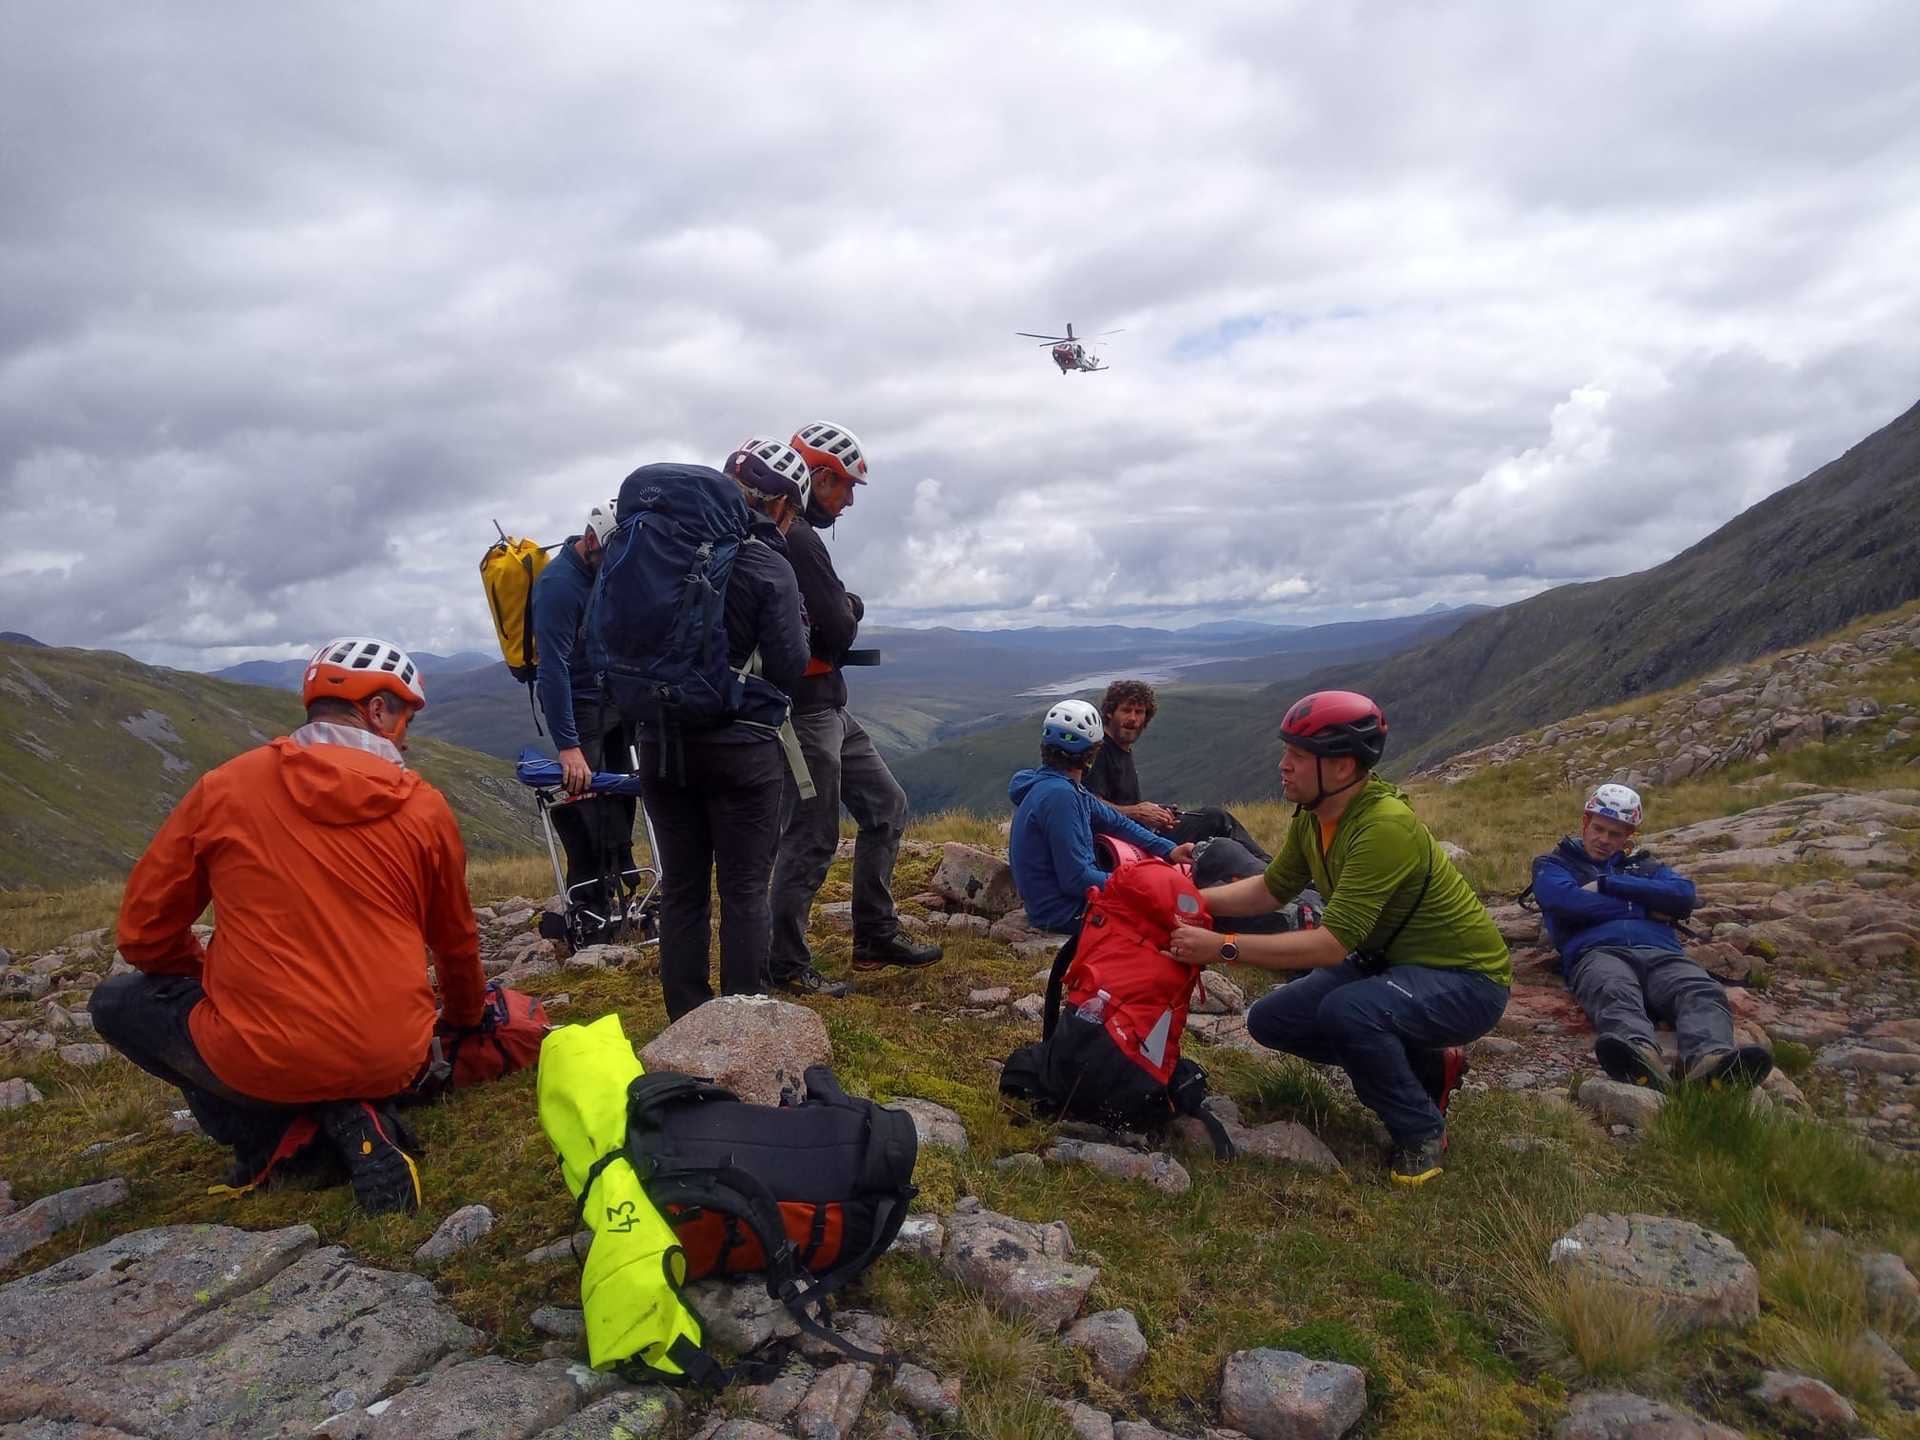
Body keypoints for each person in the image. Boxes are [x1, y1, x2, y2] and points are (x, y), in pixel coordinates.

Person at [92, 637, 486, 1214]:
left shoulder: (224, 788)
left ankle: (274, 1139)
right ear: (376, 710)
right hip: (393, 1056)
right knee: (337, 1050)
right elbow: (455, 940)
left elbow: (143, 933)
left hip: (259, 1056)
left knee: (116, 1002)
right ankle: (354, 1111)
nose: (407, 730)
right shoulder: (425, 809)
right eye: (404, 714)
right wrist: (465, 1021)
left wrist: (210, 984)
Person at [1167, 691, 1510, 1187]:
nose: (1283, 766)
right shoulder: (1315, 815)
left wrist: (1222, 948)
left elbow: (1330, 945)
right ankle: (1423, 1063)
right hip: (1388, 966)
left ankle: (1419, 1130)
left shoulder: (1383, 828)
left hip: (1466, 981)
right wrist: (1186, 898)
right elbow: (1271, 888)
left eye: (1298, 757)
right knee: (1272, 1019)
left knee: (1348, 1013)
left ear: (1344, 766)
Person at [768, 421, 942, 998]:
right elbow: (839, 627)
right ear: (816, 477)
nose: (846, 503)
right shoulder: (796, 538)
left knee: (886, 806)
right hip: (804, 714)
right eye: (843, 488)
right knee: (811, 838)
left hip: (828, 707)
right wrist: (850, 605)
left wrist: (844, 606)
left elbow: (833, 620)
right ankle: (785, 964)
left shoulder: (796, 536)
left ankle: (874, 936)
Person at [638, 443, 810, 1021]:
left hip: (659, 742)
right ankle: (743, 1024)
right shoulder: (766, 564)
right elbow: (790, 665)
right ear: (781, 504)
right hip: (741, 749)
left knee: (684, 887)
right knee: (742, 890)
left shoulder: (648, 551)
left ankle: (686, 1020)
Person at [1531, 783, 1772, 1091]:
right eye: (1599, 829)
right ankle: (1640, 1055)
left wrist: (1607, 885)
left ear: (1628, 836)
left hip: (1662, 953)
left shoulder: (1644, 865)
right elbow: (1565, 902)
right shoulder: (1554, 865)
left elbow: (1684, 895)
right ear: (1585, 823)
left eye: (1615, 834)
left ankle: (1710, 1061)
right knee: (1613, 987)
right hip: (1597, 952)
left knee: (1700, 989)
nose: (1604, 840)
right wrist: (1645, 908)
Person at [532, 501, 637, 942]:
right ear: (592, 540)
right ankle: (589, 912)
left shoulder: (602, 571)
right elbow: (551, 668)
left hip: (611, 702)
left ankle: (620, 887)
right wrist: (568, 744)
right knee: (586, 814)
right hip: (580, 710)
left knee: (621, 800)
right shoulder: (557, 586)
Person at [1009, 699, 1195, 933]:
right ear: (1090, 756)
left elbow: (1116, 822)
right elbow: (1076, 880)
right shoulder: (1060, 796)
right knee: (1170, 917)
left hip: (1061, 905)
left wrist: (1169, 850)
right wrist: (1144, 884)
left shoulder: (1064, 787)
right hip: (1065, 913)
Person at [1084, 678, 1271, 861]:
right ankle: (1267, 871)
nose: (1133, 718)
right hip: (1124, 848)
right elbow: (1088, 804)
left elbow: (1123, 803)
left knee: (1211, 822)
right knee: (1216, 820)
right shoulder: (1101, 750)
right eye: (1125, 710)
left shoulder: (1122, 749)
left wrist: (1157, 814)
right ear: (1109, 713)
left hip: (1137, 835)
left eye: (1139, 712)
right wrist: (1136, 812)